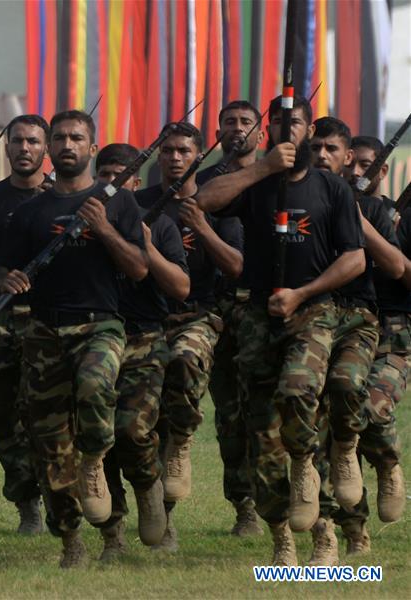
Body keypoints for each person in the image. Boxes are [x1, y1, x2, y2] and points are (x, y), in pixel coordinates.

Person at [196, 94, 365, 566]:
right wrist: (261, 169)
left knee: (299, 391)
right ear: (266, 130)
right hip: (256, 316)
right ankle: (283, 540)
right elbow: (204, 200)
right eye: (277, 122)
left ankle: (323, 524)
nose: (286, 129)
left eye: (295, 122)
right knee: (263, 432)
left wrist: (302, 293)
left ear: (309, 130)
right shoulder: (257, 183)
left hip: (311, 312)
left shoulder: (331, 189)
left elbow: (354, 259)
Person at [0, 110, 147, 568]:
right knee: (49, 442)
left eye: (76, 138)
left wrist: (102, 228)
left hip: (99, 323)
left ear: (92, 147)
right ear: (47, 148)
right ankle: (71, 540)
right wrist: (9, 279)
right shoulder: (29, 212)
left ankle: (98, 460)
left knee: (96, 388)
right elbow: (0, 268)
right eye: (58, 138)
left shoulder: (117, 202)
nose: (66, 145)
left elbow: (139, 269)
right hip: (43, 330)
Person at [135, 123, 243, 550]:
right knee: (143, 418)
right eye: (167, 150)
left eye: (183, 150)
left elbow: (236, 266)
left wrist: (201, 226)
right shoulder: (140, 204)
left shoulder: (220, 209)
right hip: (146, 320)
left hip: (200, 316)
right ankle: (158, 516)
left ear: (199, 156)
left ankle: (181, 441)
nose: (175, 157)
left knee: (183, 364)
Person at [305, 117, 403, 565]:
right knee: (319, 436)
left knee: (363, 410)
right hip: (320, 325)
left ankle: (386, 460)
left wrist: (359, 225)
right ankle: (338, 533)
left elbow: (398, 268)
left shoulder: (379, 211)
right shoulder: (307, 201)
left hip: (381, 328)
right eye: (316, 147)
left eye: (365, 164)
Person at [92, 142, 189, 559]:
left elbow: (181, 288)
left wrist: (145, 244)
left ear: (135, 182)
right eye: (106, 176)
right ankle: (112, 533)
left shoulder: (161, 225)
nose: (113, 184)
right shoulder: (84, 225)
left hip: (144, 341)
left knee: (134, 430)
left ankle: (152, 493)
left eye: (122, 177)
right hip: (94, 338)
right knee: (98, 438)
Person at [0, 114, 51, 534]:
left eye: (33, 141)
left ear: (46, 148)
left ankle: (60, 495)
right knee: (3, 414)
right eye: (17, 141)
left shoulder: (63, 197)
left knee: (50, 411)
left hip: (51, 318)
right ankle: (26, 502)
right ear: (6, 147)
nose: (24, 148)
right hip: (1, 318)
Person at [197, 100, 265, 536]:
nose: (237, 129)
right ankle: (244, 506)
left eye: (246, 122)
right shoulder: (204, 183)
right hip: (218, 306)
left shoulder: (279, 177)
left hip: (264, 306)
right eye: (229, 122)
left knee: (271, 408)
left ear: (261, 131)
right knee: (229, 413)